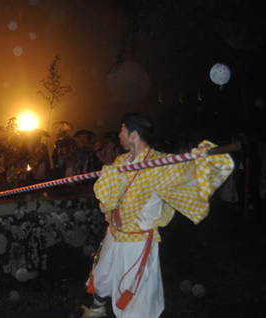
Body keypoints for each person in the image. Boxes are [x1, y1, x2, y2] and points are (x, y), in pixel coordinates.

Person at [82, 113, 234, 318]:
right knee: (103, 273)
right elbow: (111, 195)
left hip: (137, 240)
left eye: (122, 130)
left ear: (133, 133)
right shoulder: (121, 160)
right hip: (114, 233)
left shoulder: (161, 164)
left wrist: (200, 158)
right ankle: (97, 310)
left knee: (134, 290)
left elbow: (189, 174)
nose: (120, 134)